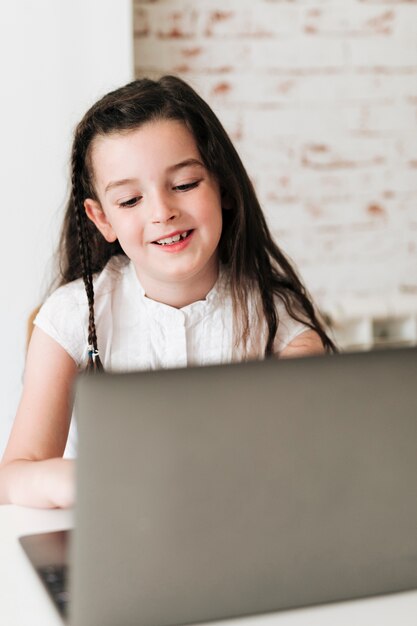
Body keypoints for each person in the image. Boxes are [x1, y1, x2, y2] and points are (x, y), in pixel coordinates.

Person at [0, 75, 336, 509]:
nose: (163, 212)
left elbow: (308, 459)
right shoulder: (68, 319)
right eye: (130, 201)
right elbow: (13, 477)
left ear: (224, 188)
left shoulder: (278, 318)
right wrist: (100, 479)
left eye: (184, 185)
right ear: (102, 219)